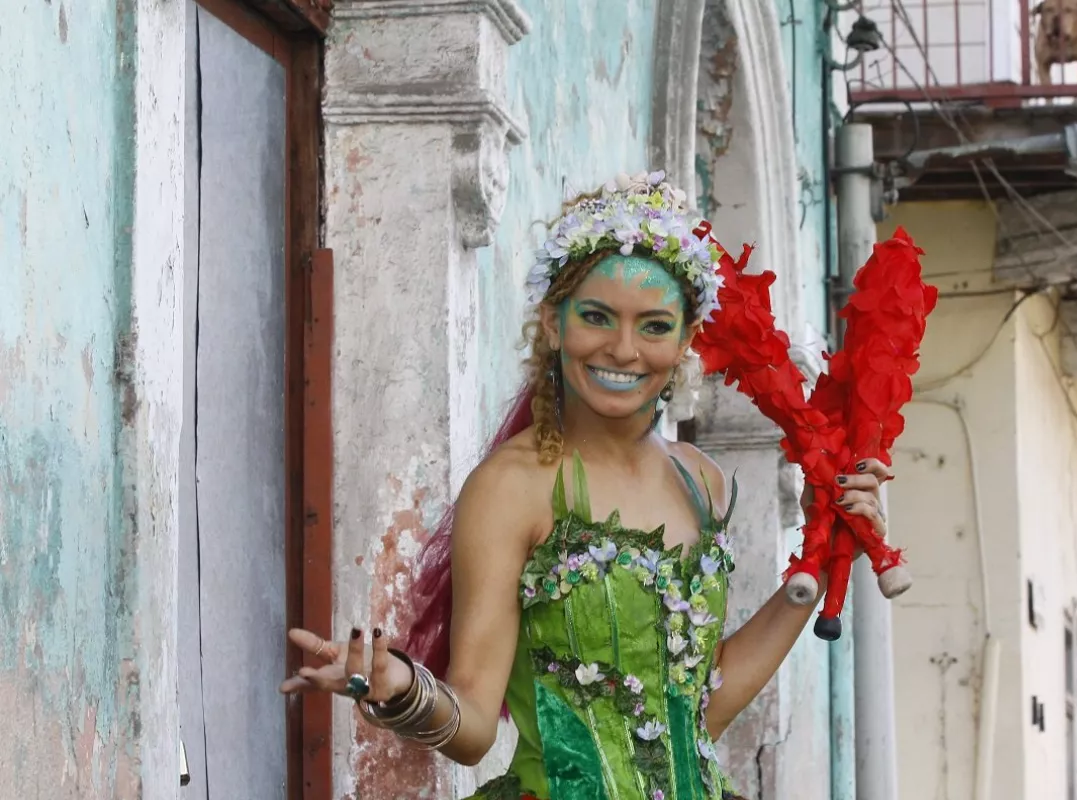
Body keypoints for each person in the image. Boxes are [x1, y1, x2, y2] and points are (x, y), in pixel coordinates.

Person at [278, 171, 892, 799]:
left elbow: (699, 710)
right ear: (552, 323)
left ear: (686, 341)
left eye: (654, 326)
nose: (623, 350)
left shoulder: (699, 479)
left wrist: (819, 550)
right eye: (597, 318)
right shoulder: (511, 487)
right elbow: (475, 728)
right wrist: (404, 688)